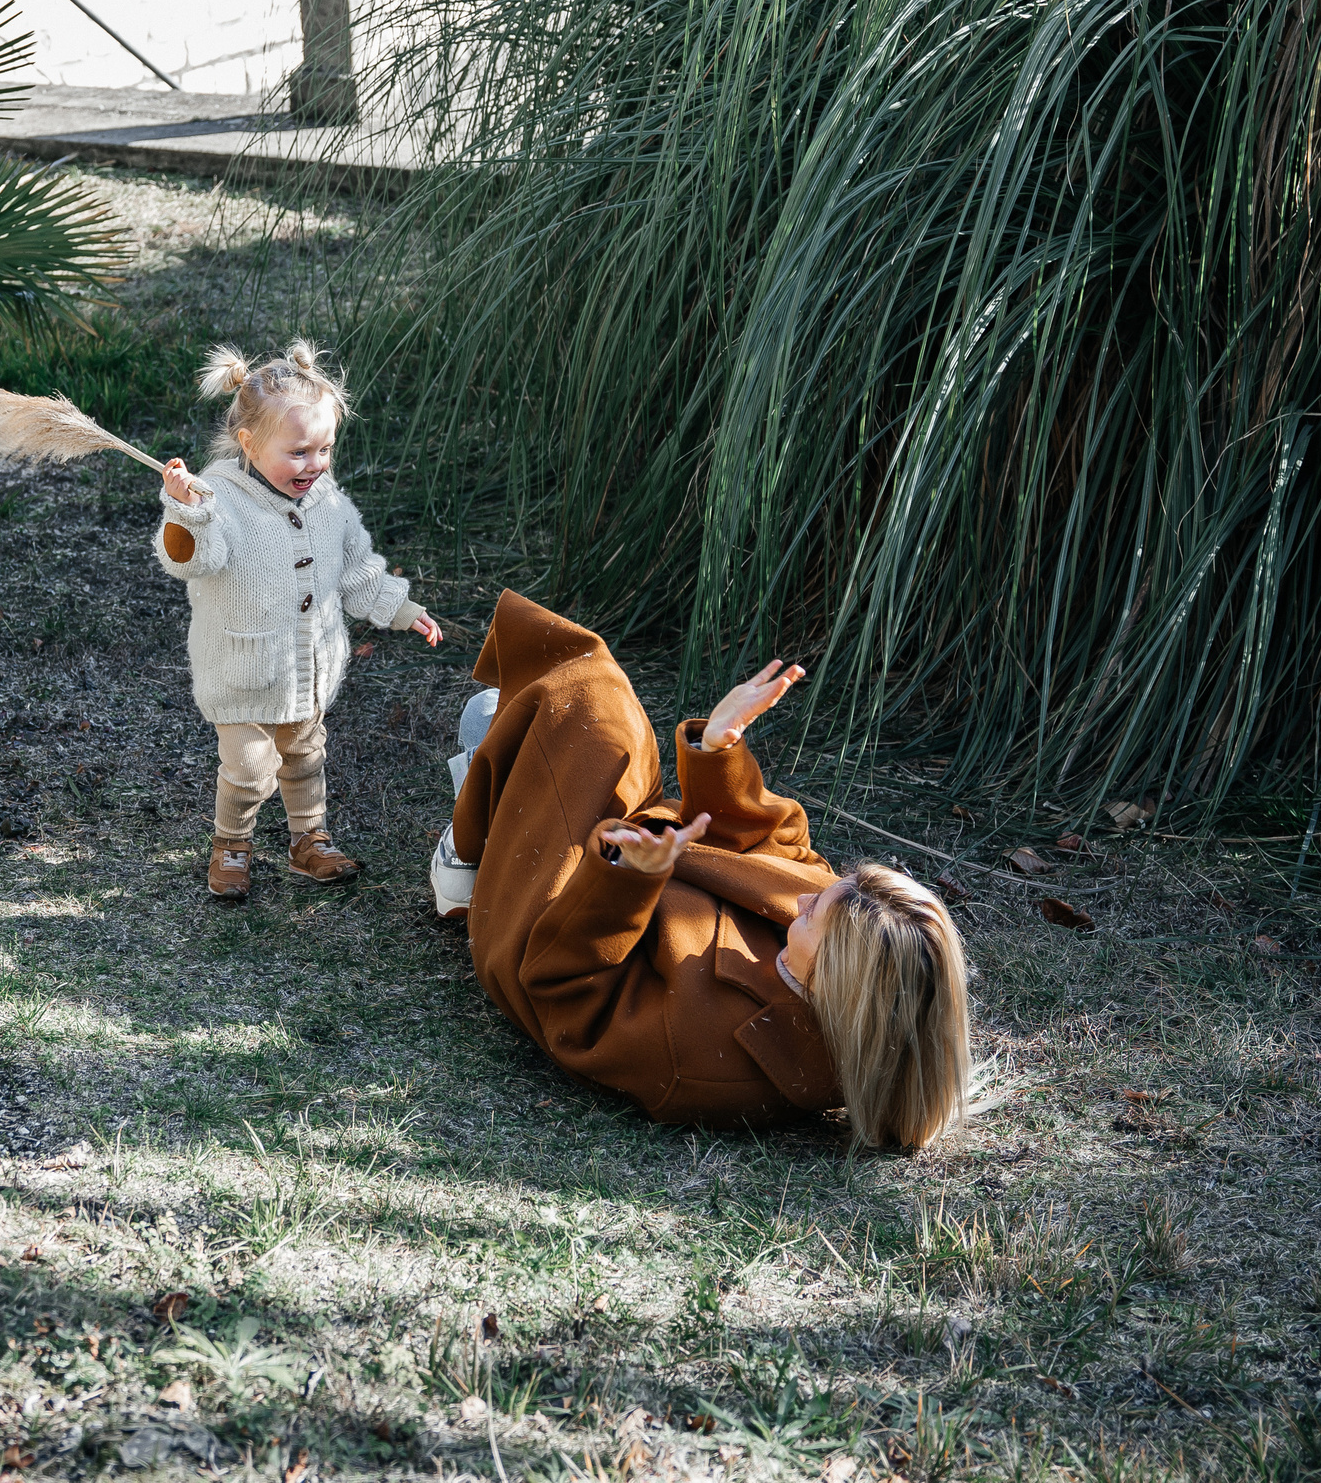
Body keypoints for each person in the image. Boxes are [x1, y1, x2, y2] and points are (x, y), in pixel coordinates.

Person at [434, 592, 969, 1148]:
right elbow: (777, 848)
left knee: (591, 697)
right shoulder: (828, 944)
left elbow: (565, 991)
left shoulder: (701, 1058)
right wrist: (719, 751)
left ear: (840, 982)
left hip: (554, 920)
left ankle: (473, 850)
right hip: (638, 848)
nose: (804, 901)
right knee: (605, 719)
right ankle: (508, 759)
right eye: (830, 890)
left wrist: (628, 880)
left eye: (815, 914)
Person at [157, 341, 443, 900]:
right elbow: (191, 558)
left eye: (325, 450)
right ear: (249, 443)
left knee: (306, 757)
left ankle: (308, 838)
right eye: (299, 453)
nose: (315, 465)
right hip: (244, 670)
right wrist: (184, 511)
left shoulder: (326, 502)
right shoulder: (219, 498)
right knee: (247, 771)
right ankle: (231, 844)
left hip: (307, 670)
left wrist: (403, 609)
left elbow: (355, 568)